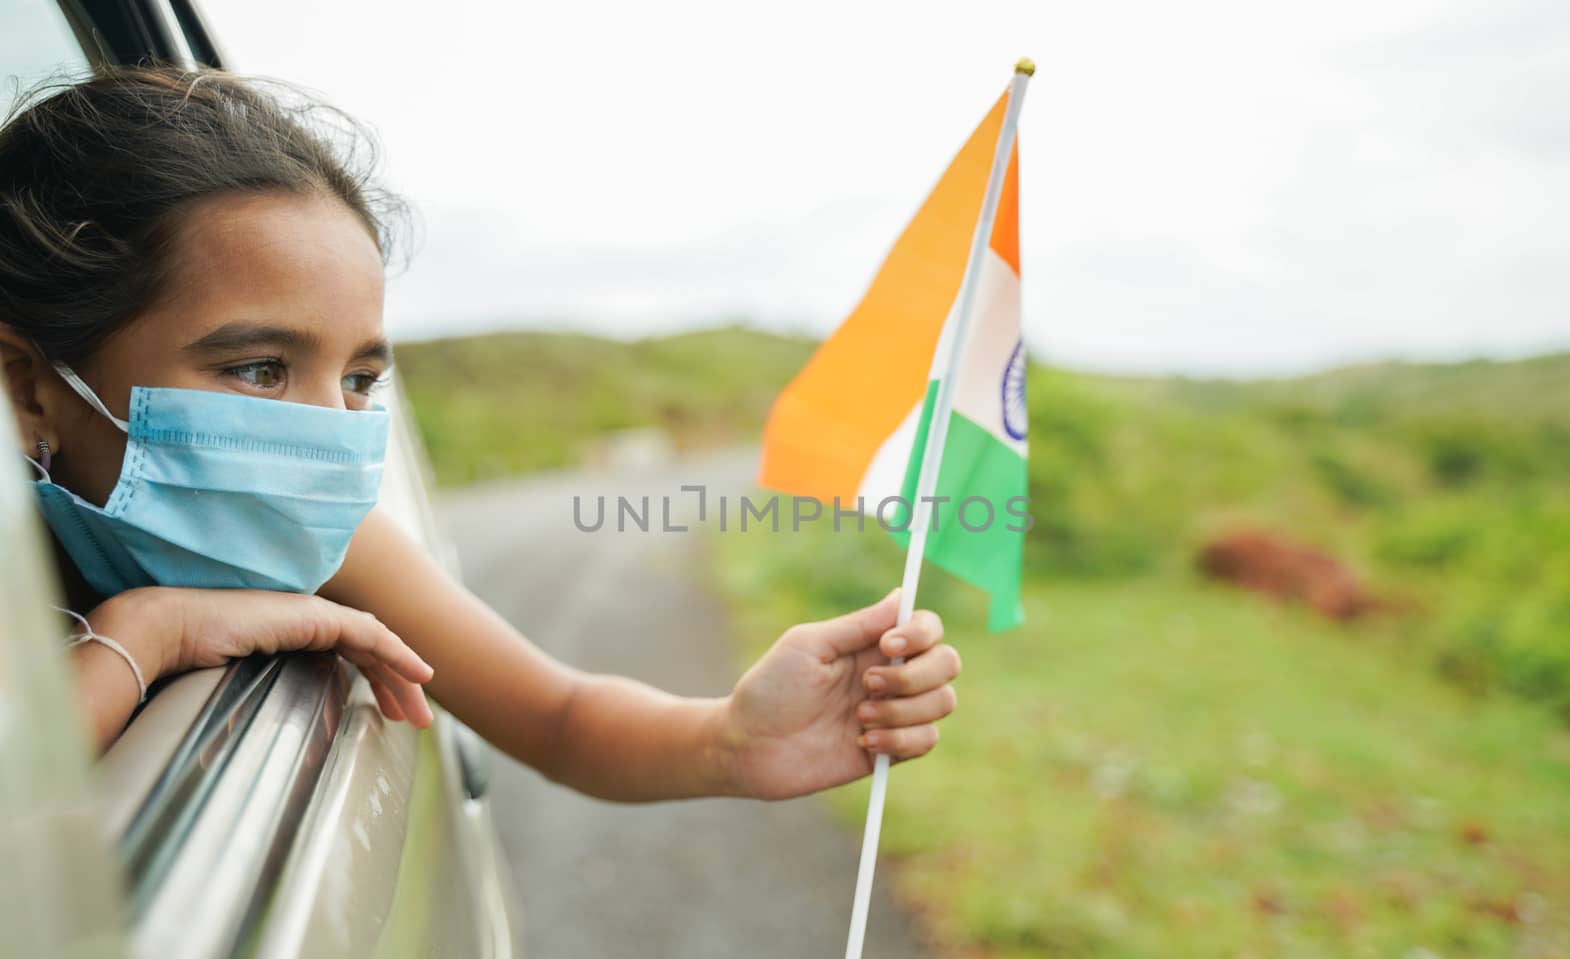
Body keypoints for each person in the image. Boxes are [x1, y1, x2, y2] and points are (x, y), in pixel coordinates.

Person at [0, 66, 960, 803]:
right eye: (258, 369)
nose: (331, 432)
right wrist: (144, 635)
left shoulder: (313, 537)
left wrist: (730, 739)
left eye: (362, 378)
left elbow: (558, 712)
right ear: (29, 387)